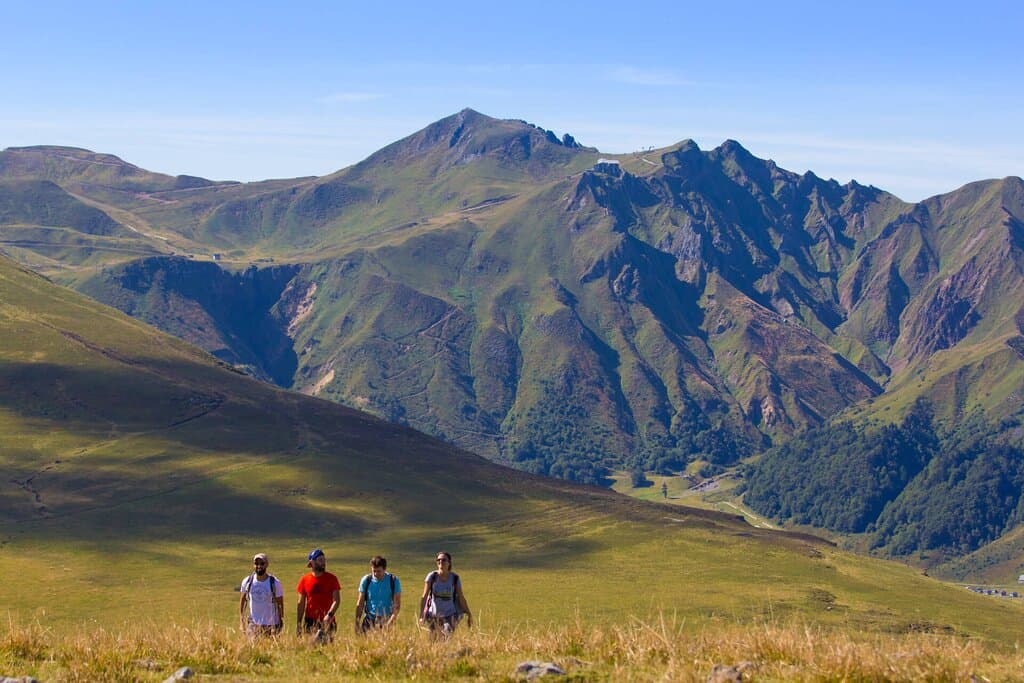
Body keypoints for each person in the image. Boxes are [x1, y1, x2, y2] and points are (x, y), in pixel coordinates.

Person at [419, 551, 472, 638]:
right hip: (433, 615)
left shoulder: (455, 578)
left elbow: (461, 598)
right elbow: (424, 596)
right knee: (433, 640)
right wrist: (421, 615)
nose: (440, 562)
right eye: (438, 560)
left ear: (449, 563)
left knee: (446, 636)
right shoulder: (432, 577)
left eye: (443, 560)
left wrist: (469, 614)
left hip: (450, 615)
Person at [296, 548, 341, 642]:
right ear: (312, 562)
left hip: (328, 621)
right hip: (310, 621)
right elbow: (301, 603)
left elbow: (336, 600)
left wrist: (329, 615)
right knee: (311, 649)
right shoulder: (305, 579)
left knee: (328, 649)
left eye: (324, 560)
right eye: (320, 560)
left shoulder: (332, 579)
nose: (323, 563)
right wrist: (299, 623)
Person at [238, 552, 284, 636]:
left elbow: (280, 604)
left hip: (271, 625)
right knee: (252, 648)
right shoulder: (247, 581)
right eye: (256, 564)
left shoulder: (275, 583)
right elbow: (243, 601)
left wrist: (280, 622)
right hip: (253, 624)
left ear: (267, 565)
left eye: (262, 564)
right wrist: (241, 621)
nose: (259, 566)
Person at [354, 555, 402, 633]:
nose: (376, 574)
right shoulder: (366, 580)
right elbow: (360, 604)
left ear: (384, 569)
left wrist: (390, 623)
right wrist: (357, 623)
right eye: (374, 571)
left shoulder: (393, 581)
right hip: (369, 621)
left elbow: (397, 605)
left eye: (378, 571)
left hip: (387, 620)